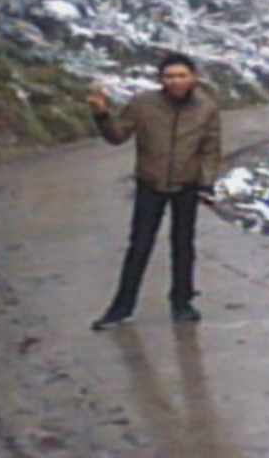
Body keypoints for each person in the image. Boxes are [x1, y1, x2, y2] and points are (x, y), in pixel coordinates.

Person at [88, 52, 221, 330]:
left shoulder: (206, 108)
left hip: (186, 185)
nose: (175, 81)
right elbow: (117, 136)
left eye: (181, 75)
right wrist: (101, 114)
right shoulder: (143, 104)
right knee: (139, 245)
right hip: (150, 184)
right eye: (169, 76)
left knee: (183, 245)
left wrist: (206, 183)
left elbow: (210, 149)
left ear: (194, 78)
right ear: (161, 79)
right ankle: (121, 308)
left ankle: (182, 302)